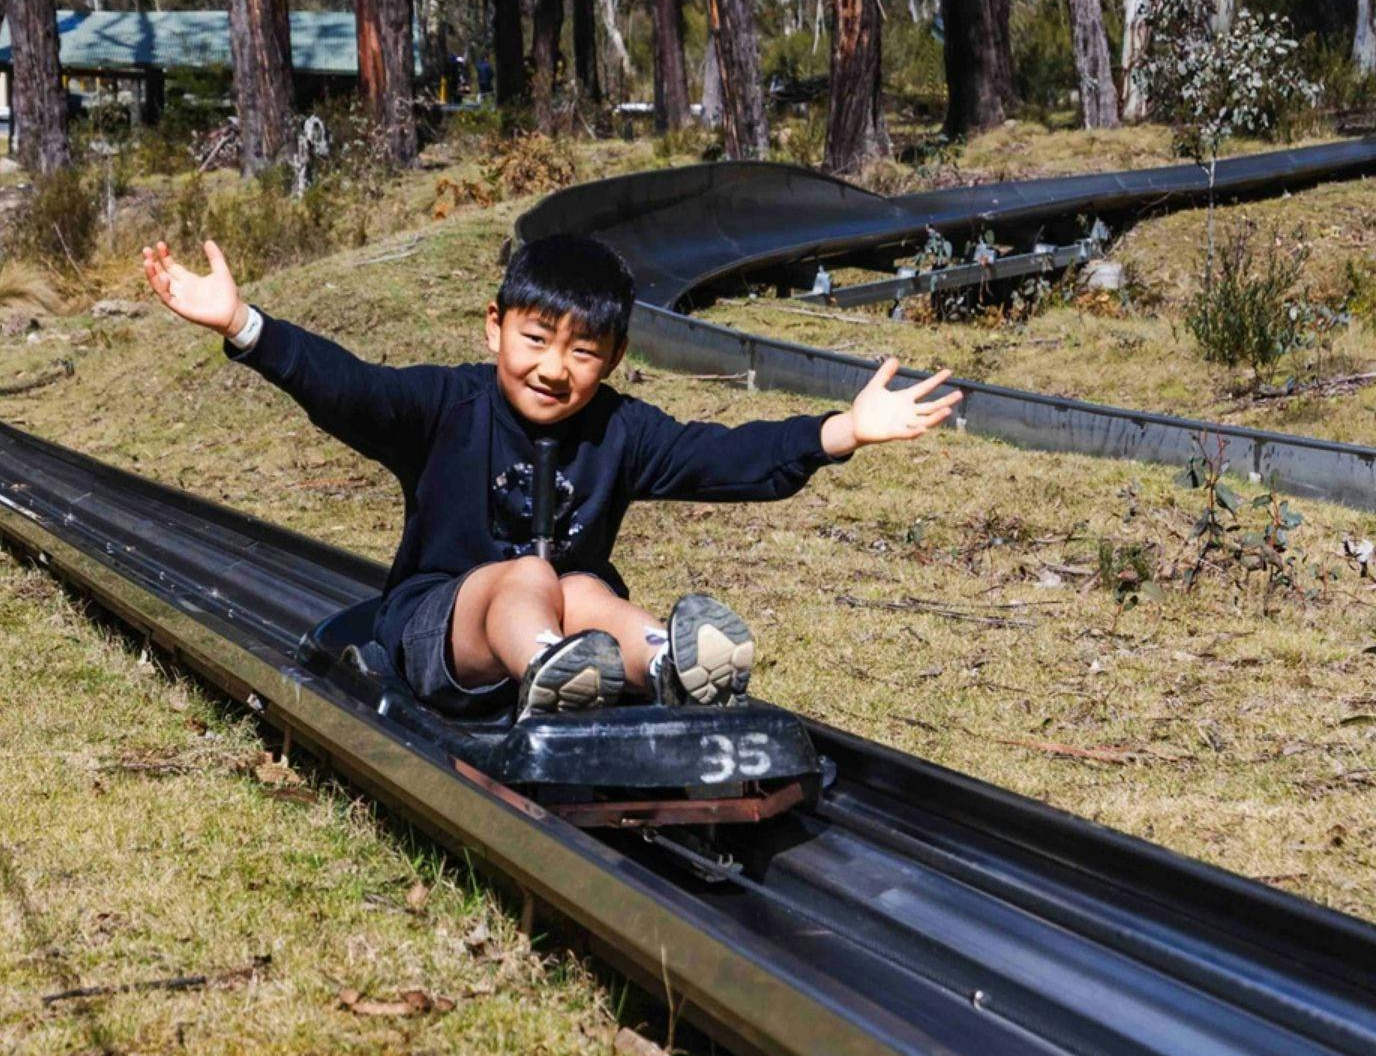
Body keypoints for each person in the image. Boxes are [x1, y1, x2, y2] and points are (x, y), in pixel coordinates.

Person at [141, 234, 960, 721]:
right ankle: (551, 671)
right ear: (496, 327)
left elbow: (725, 457)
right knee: (535, 573)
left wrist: (842, 430)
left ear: (613, 360)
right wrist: (245, 327)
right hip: (440, 632)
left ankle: (662, 663)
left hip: (573, 619)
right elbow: (347, 385)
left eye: (583, 352)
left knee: (588, 589)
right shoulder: (443, 407)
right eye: (536, 339)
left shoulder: (621, 430)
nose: (554, 369)